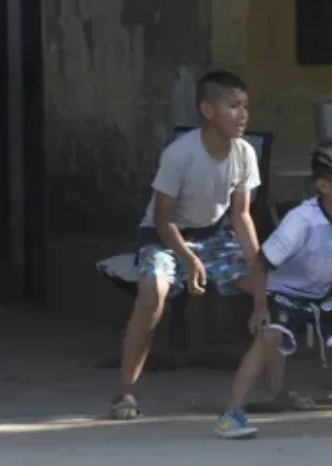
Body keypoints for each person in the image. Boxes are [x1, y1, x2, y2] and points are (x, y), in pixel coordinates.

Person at [109, 69, 294, 420]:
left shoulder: (244, 154)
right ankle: (125, 394)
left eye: (245, 107)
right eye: (233, 106)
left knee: (275, 289)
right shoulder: (180, 154)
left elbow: (241, 216)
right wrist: (189, 259)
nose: (242, 115)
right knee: (152, 294)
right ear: (208, 111)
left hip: (212, 235)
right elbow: (163, 219)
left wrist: (259, 270)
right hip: (164, 236)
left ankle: (278, 390)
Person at [215, 139, 332, 439]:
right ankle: (232, 414)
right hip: (284, 293)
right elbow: (262, 263)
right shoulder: (301, 221)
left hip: (322, 294)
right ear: (324, 185)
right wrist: (261, 307)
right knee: (269, 337)